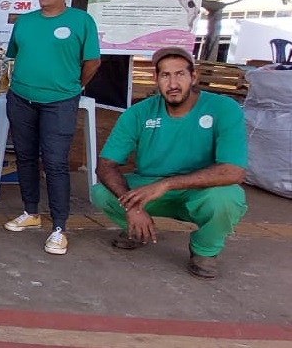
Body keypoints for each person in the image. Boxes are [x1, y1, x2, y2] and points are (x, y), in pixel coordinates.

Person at [92, 47, 247, 279]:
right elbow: (105, 164)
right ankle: (138, 230)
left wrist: (166, 184)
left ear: (193, 76)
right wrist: (133, 208)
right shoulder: (138, 113)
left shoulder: (224, 109)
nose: (173, 83)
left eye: (180, 74)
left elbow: (233, 171)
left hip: (199, 192)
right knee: (101, 192)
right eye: (165, 75)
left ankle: (204, 250)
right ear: (156, 79)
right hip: (150, 189)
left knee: (228, 198)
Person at [2, 0, 101, 255]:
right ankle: (30, 211)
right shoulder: (26, 22)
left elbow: (92, 62)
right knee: (25, 156)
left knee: (56, 162)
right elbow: (14, 55)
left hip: (60, 101)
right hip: (21, 97)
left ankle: (59, 227)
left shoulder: (81, 21)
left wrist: (74, 86)